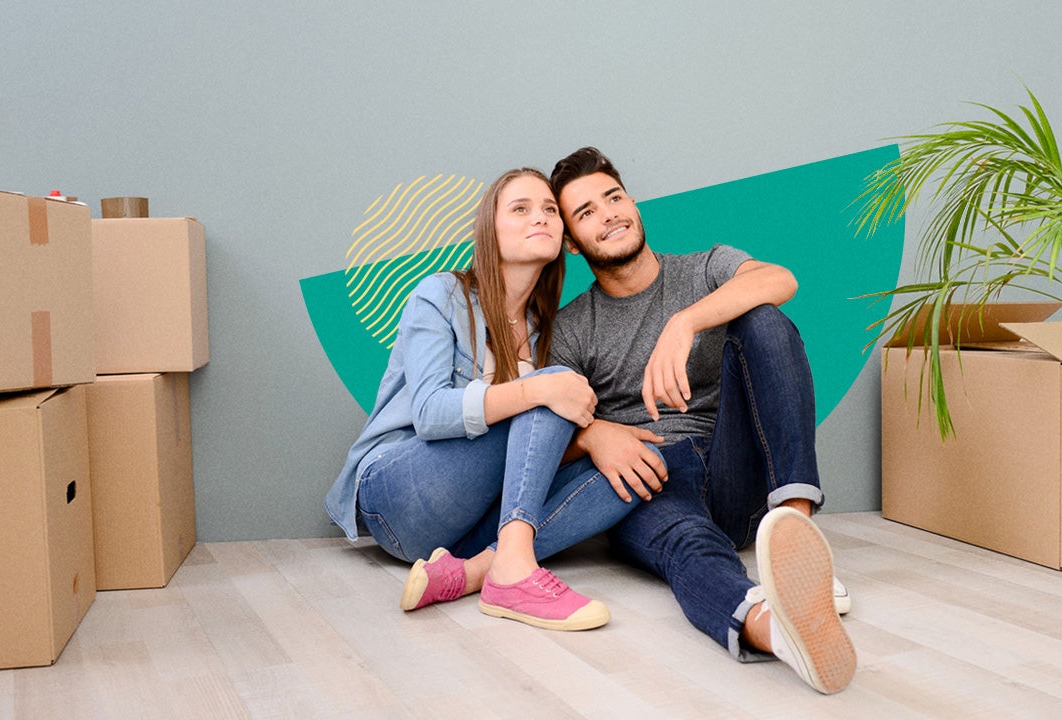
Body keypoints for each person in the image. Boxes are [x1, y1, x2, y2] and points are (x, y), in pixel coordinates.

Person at [547, 147, 858, 692]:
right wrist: (595, 434)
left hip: (733, 466)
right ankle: (776, 631)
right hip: (650, 477)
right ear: (572, 241)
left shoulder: (703, 268)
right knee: (687, 549)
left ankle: (800, 541)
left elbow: (780, 279)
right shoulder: (572, 329)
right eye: (587, 212)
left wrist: (685, 323)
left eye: (614, 198)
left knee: (763, 320)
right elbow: (545, 434)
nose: (609, 214)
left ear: (634, 203)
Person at [324, 167, 644, 631]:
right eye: (521, 208)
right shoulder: (440, 295)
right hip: (398, 497)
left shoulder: (546, 330)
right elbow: (431, 414)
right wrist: (538, 388)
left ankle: (477, 571)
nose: (542, 218)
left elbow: (533, 450)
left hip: (466, 527)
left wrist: (594, 438)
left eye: (551, 210)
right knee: (551, 388)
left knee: (632, 470)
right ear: (489, 230)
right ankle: (512, 572)